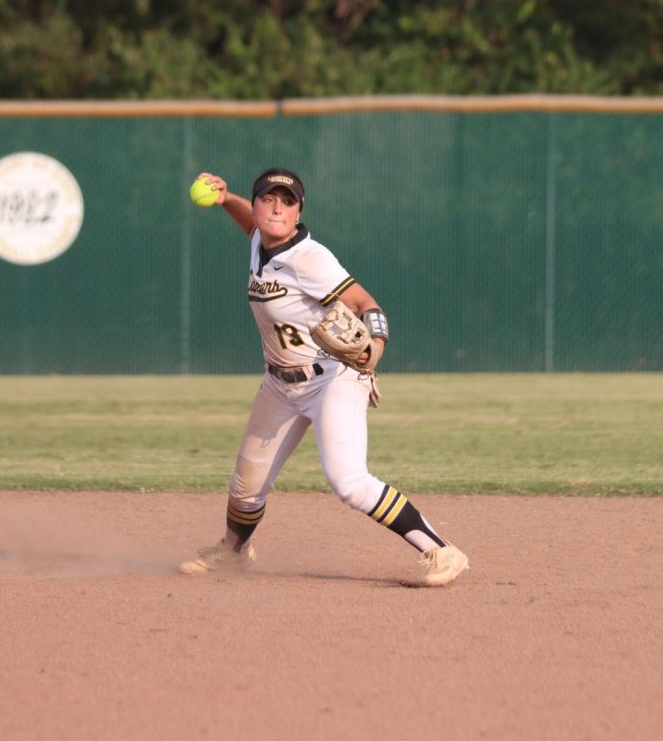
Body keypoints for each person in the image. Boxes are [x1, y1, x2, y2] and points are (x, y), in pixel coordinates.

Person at [177, 167, 469, 587]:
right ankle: (234, 552)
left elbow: (366, 302)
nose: (277, 206)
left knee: (348, 481)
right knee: (246, 486)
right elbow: (250, 225)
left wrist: (376, 349)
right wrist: (226, 201)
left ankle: (442, 551)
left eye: (287, 201)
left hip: (332, 377)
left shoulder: (310, 259)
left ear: (298, 214)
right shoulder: (261, 238)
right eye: (268, 198)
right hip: (280, 383)